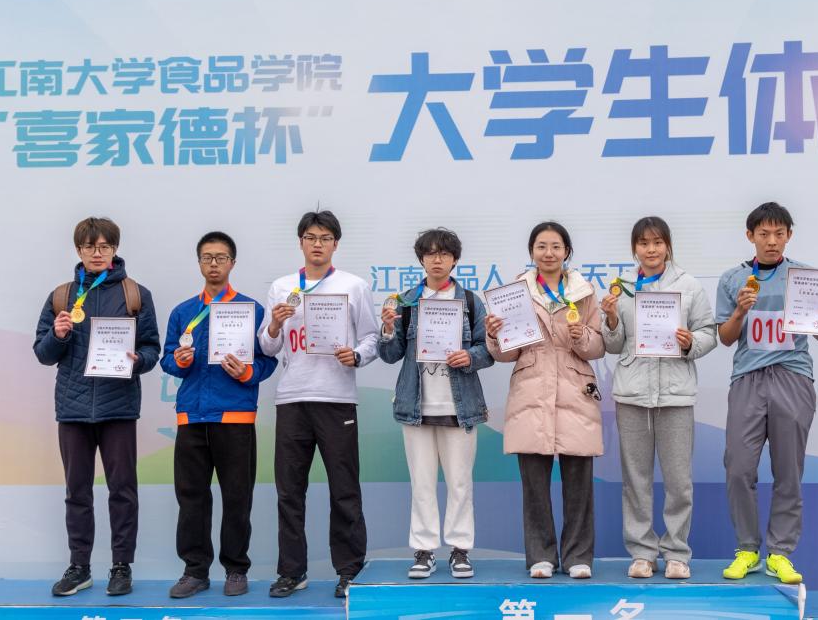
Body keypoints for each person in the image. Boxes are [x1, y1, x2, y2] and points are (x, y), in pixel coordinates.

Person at [715, 202, 818, 585]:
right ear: (750, 236)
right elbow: (725, 338)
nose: (771, 241)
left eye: (779, 234)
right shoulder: (733, 279)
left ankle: (780, 553)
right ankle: (747, 549)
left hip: (793, 376)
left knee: (788, 470)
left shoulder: (805, 277)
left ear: (789, 236)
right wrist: (739, 312)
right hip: (748, 379)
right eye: (764, 234)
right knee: (738, 468)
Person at [33, 217, 160, 597]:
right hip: (72, 409)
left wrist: (137, 359)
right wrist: (57, 336)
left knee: (123, 490)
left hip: (119, 406)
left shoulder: (135, 294)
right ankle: (80, 567)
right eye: (90, 247)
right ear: (79, 250)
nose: (97, 253)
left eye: (105, 246)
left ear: (115, 249)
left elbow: (152, 348)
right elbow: (43, 354)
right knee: (77, 491)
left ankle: (121, 566)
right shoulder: (61, 296)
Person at [258, 210, 379, 599]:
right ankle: (292, 571)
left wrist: (356, 356)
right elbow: (267, 346)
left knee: (344, 488)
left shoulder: (354, 286)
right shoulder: (282, 287)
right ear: (301, 242)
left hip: (336, 398)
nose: (317, 244)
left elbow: (372, 338)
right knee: (289, 491)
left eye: (325, 238)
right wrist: (275, 324)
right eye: (310, 237)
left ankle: (349, 571)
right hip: (292, 398)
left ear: (335, 244)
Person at [160, 232, 278, 598]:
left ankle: (236, 569)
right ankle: (194, 571)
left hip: (236, 417)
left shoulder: (251, 310)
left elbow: (268, 359)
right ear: (199, 263)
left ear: (232, 263)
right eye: (207, 257)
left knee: (237, 498)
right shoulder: (183, 312)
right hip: (192, 417)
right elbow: (167, 359)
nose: (214, 264)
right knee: (191, 498)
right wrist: (178, 362)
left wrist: (247, 373)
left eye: (221, 257)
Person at [485, 221, 605, 579]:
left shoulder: (584, 291)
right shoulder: (515, 293)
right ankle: (541, 556)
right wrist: (494, 336)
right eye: (541, 246)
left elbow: (599, 346)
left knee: (579, 483)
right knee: (534, 484)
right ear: (532, 252)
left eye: (555, 246)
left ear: (567, 251)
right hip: (531, 390)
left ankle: (578, 557)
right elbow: (507, 354)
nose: (548, 253)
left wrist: (581, 336)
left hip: (574, 388)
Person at [600, 217, 717, 579]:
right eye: (643, 243)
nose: (650, 250)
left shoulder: (689, 285)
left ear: (668, 246)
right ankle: (642, 553)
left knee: (679, 481)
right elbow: (613, 345)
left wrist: (690, 342)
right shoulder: (621, 288)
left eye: (657, 242)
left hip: (676, 395)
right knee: (635, 480)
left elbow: (709, 333)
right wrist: (611, 319)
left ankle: (677, 553)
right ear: (634, 248)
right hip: (632, 393)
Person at [378, 228, 494, 579]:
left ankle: (460, 549)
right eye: (430, 253)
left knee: (460, 483)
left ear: (455, 259)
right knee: (422, 483)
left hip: (460, 407)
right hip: (416, 406)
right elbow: (390, 354)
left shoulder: (470, 301)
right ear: (421, 259)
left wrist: (469, 357)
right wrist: (387, 330)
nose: (437, 259)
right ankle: (424, 550)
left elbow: (488, 350)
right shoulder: (405, 302)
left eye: (444, 253)